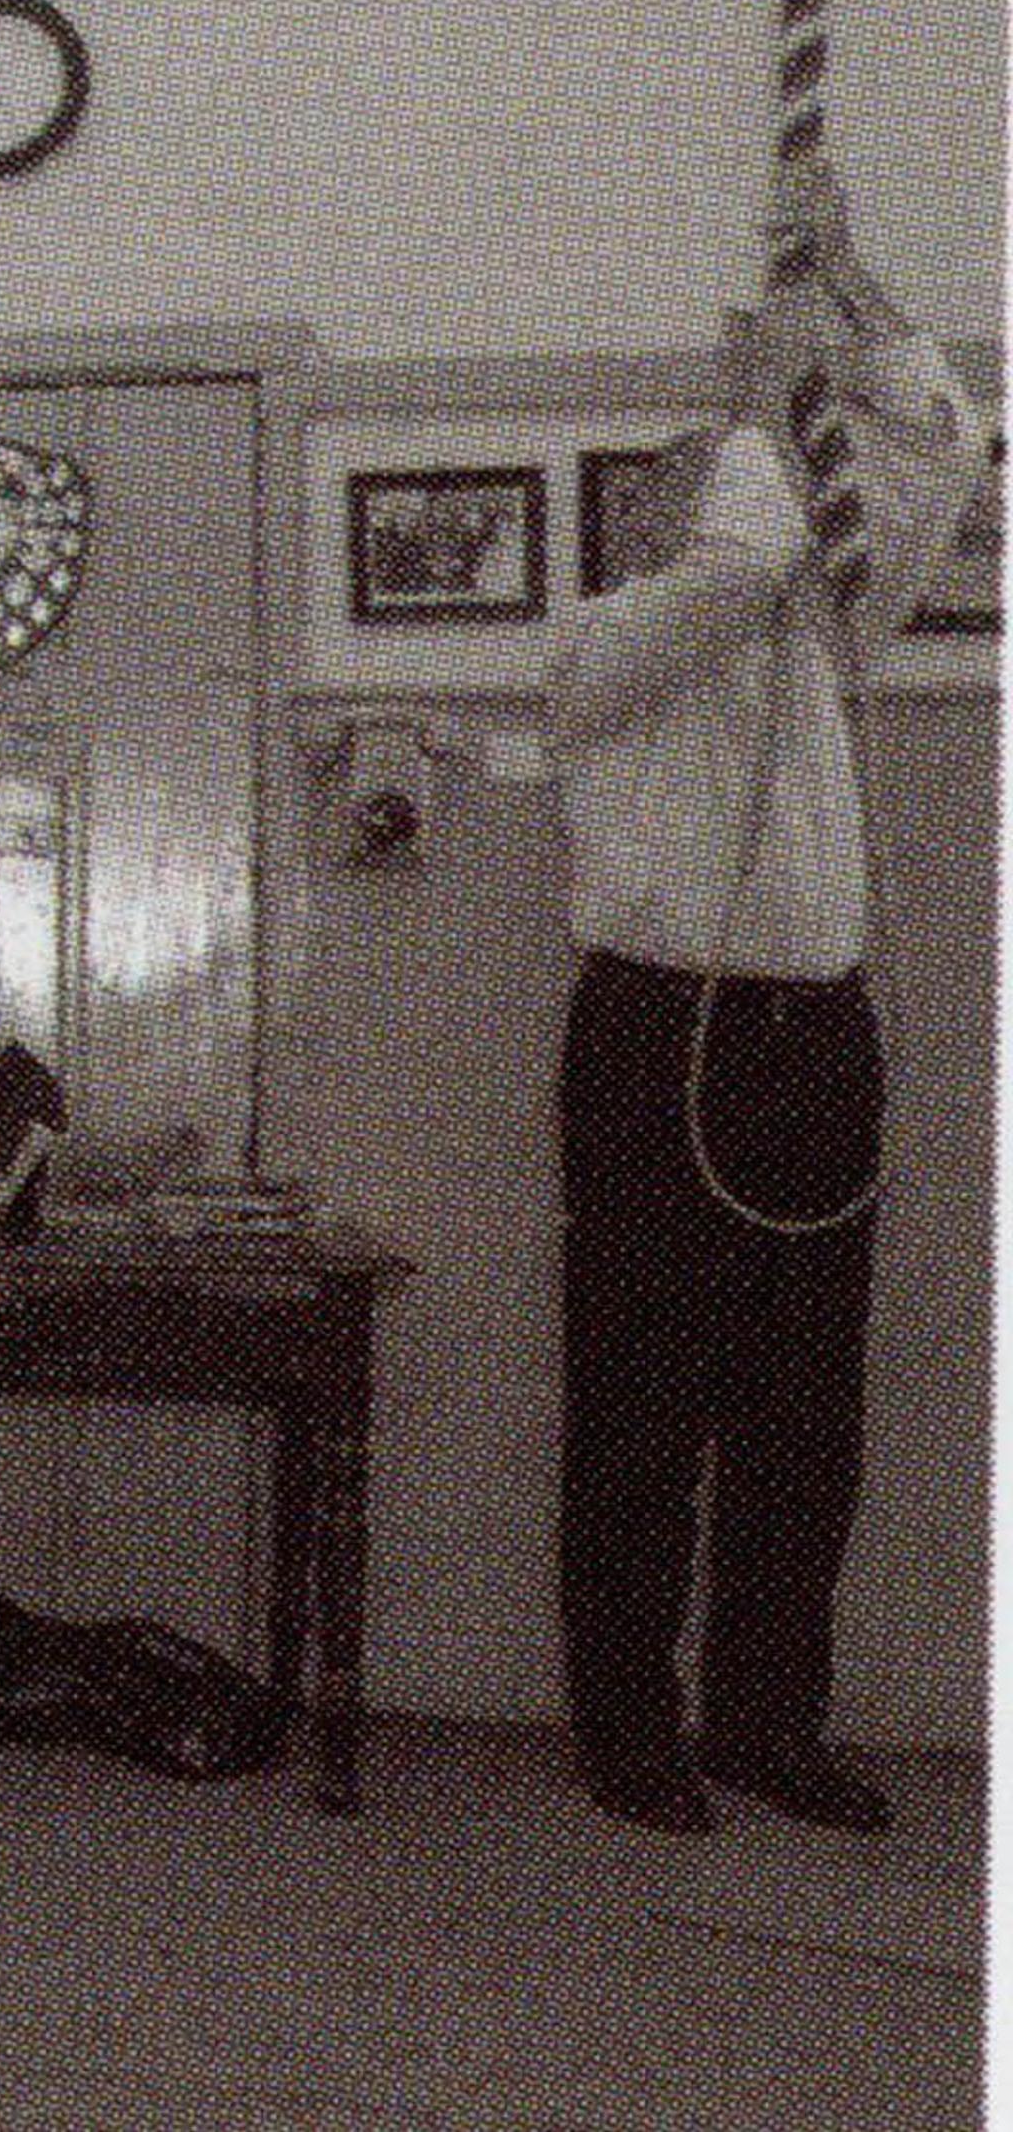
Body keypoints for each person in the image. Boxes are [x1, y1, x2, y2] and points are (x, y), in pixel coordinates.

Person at [541, 152, 990, 1838]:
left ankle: (766, 1719)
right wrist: (763, 408)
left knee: (807, 1401)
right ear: (657, 513)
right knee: (643, 1394)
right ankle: (627, 1724)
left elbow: (942, 444)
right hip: (659, 1034)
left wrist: (852, 297)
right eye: (697, 485)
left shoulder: (831, 639)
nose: (733, 509)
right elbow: (730, 572)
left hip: (815, 1038)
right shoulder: (604, 643)